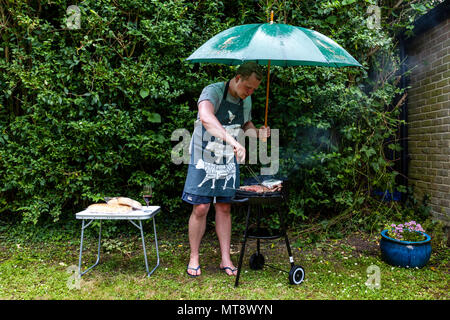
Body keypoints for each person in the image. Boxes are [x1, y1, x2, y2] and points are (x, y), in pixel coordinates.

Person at [182, 62, 270, 277]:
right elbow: (206, 118)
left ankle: (225, 258)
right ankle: (194, 256)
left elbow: (245, 124)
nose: (249, 93)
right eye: (248, 87)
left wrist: (257, 132)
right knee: (201, 207)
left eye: (254, 90)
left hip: (228, 156)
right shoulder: (212, 91)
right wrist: (234, 141)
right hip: (203, 153)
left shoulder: (245, 98)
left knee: (224, 206)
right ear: (238, 78)